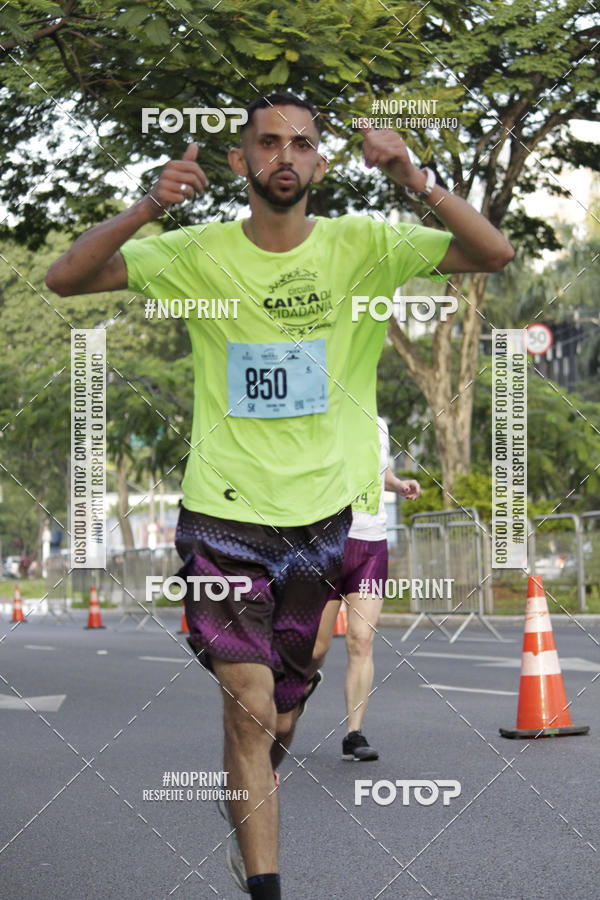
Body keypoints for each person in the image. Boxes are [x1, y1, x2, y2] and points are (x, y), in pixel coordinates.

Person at [45, 92, 514, 898]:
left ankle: (246, 808)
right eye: (268, 143)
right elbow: (66, 278)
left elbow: (494, 253)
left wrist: (412, 175)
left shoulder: (366, 245)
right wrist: (150, 204)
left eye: (301, 143)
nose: (284, 156)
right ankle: (266, 882)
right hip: (222, 514)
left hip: (321, 521)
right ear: (242, 161)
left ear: (321, 164)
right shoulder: (195, 253)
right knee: (246, 702)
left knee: (281, 712)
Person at [309, 417, 420, 761]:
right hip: (327, 543)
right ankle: (301, 683)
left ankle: (353, 733)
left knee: (361, 639)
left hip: (371, 544)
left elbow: (379, 474)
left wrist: (398, 484)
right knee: (315, 648)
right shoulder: (320, 416)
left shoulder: (381, 424)